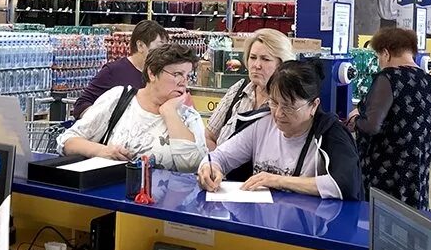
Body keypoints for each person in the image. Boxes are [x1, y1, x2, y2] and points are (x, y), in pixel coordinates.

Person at [197, 60, 362, 200]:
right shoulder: (262, 124)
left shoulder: (330, 133)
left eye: (289, 107)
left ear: (314, 105)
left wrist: (278, 181)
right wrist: (210, 168)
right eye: (274, 102)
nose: (278, 113)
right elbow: (220, 157)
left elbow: (344, 183)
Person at [57, 43, 206, 172]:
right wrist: (102, 151)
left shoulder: (189, 117)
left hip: (165, 203)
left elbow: (191, 167)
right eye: (177, 74)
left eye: (187, 76)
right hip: (111, 198)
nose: (183, 82)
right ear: (152, 73)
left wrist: (169, 112)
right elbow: (67, 141)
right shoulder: (119, 98)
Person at [348, 28, 431, 209]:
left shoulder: (388, 78)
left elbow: (372, 125)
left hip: (387, 174)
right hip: (417, 173)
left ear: (385, 53)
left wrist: (355, 121)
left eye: (378, 57)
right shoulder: (430, 82)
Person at [205, 29, 295, 150]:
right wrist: (215, 163)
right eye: (253, 57)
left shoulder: (288, 103)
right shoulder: (238, 90)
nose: (257, 65)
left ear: (281, 64)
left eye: (265, 59)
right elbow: (209, 136)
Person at [72, 20, 168, 119]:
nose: (164, 53)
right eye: (160, 46)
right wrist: (105, 121)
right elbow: (81, 106)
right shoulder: (113, 71)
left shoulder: (161, 74)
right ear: (140, 45)